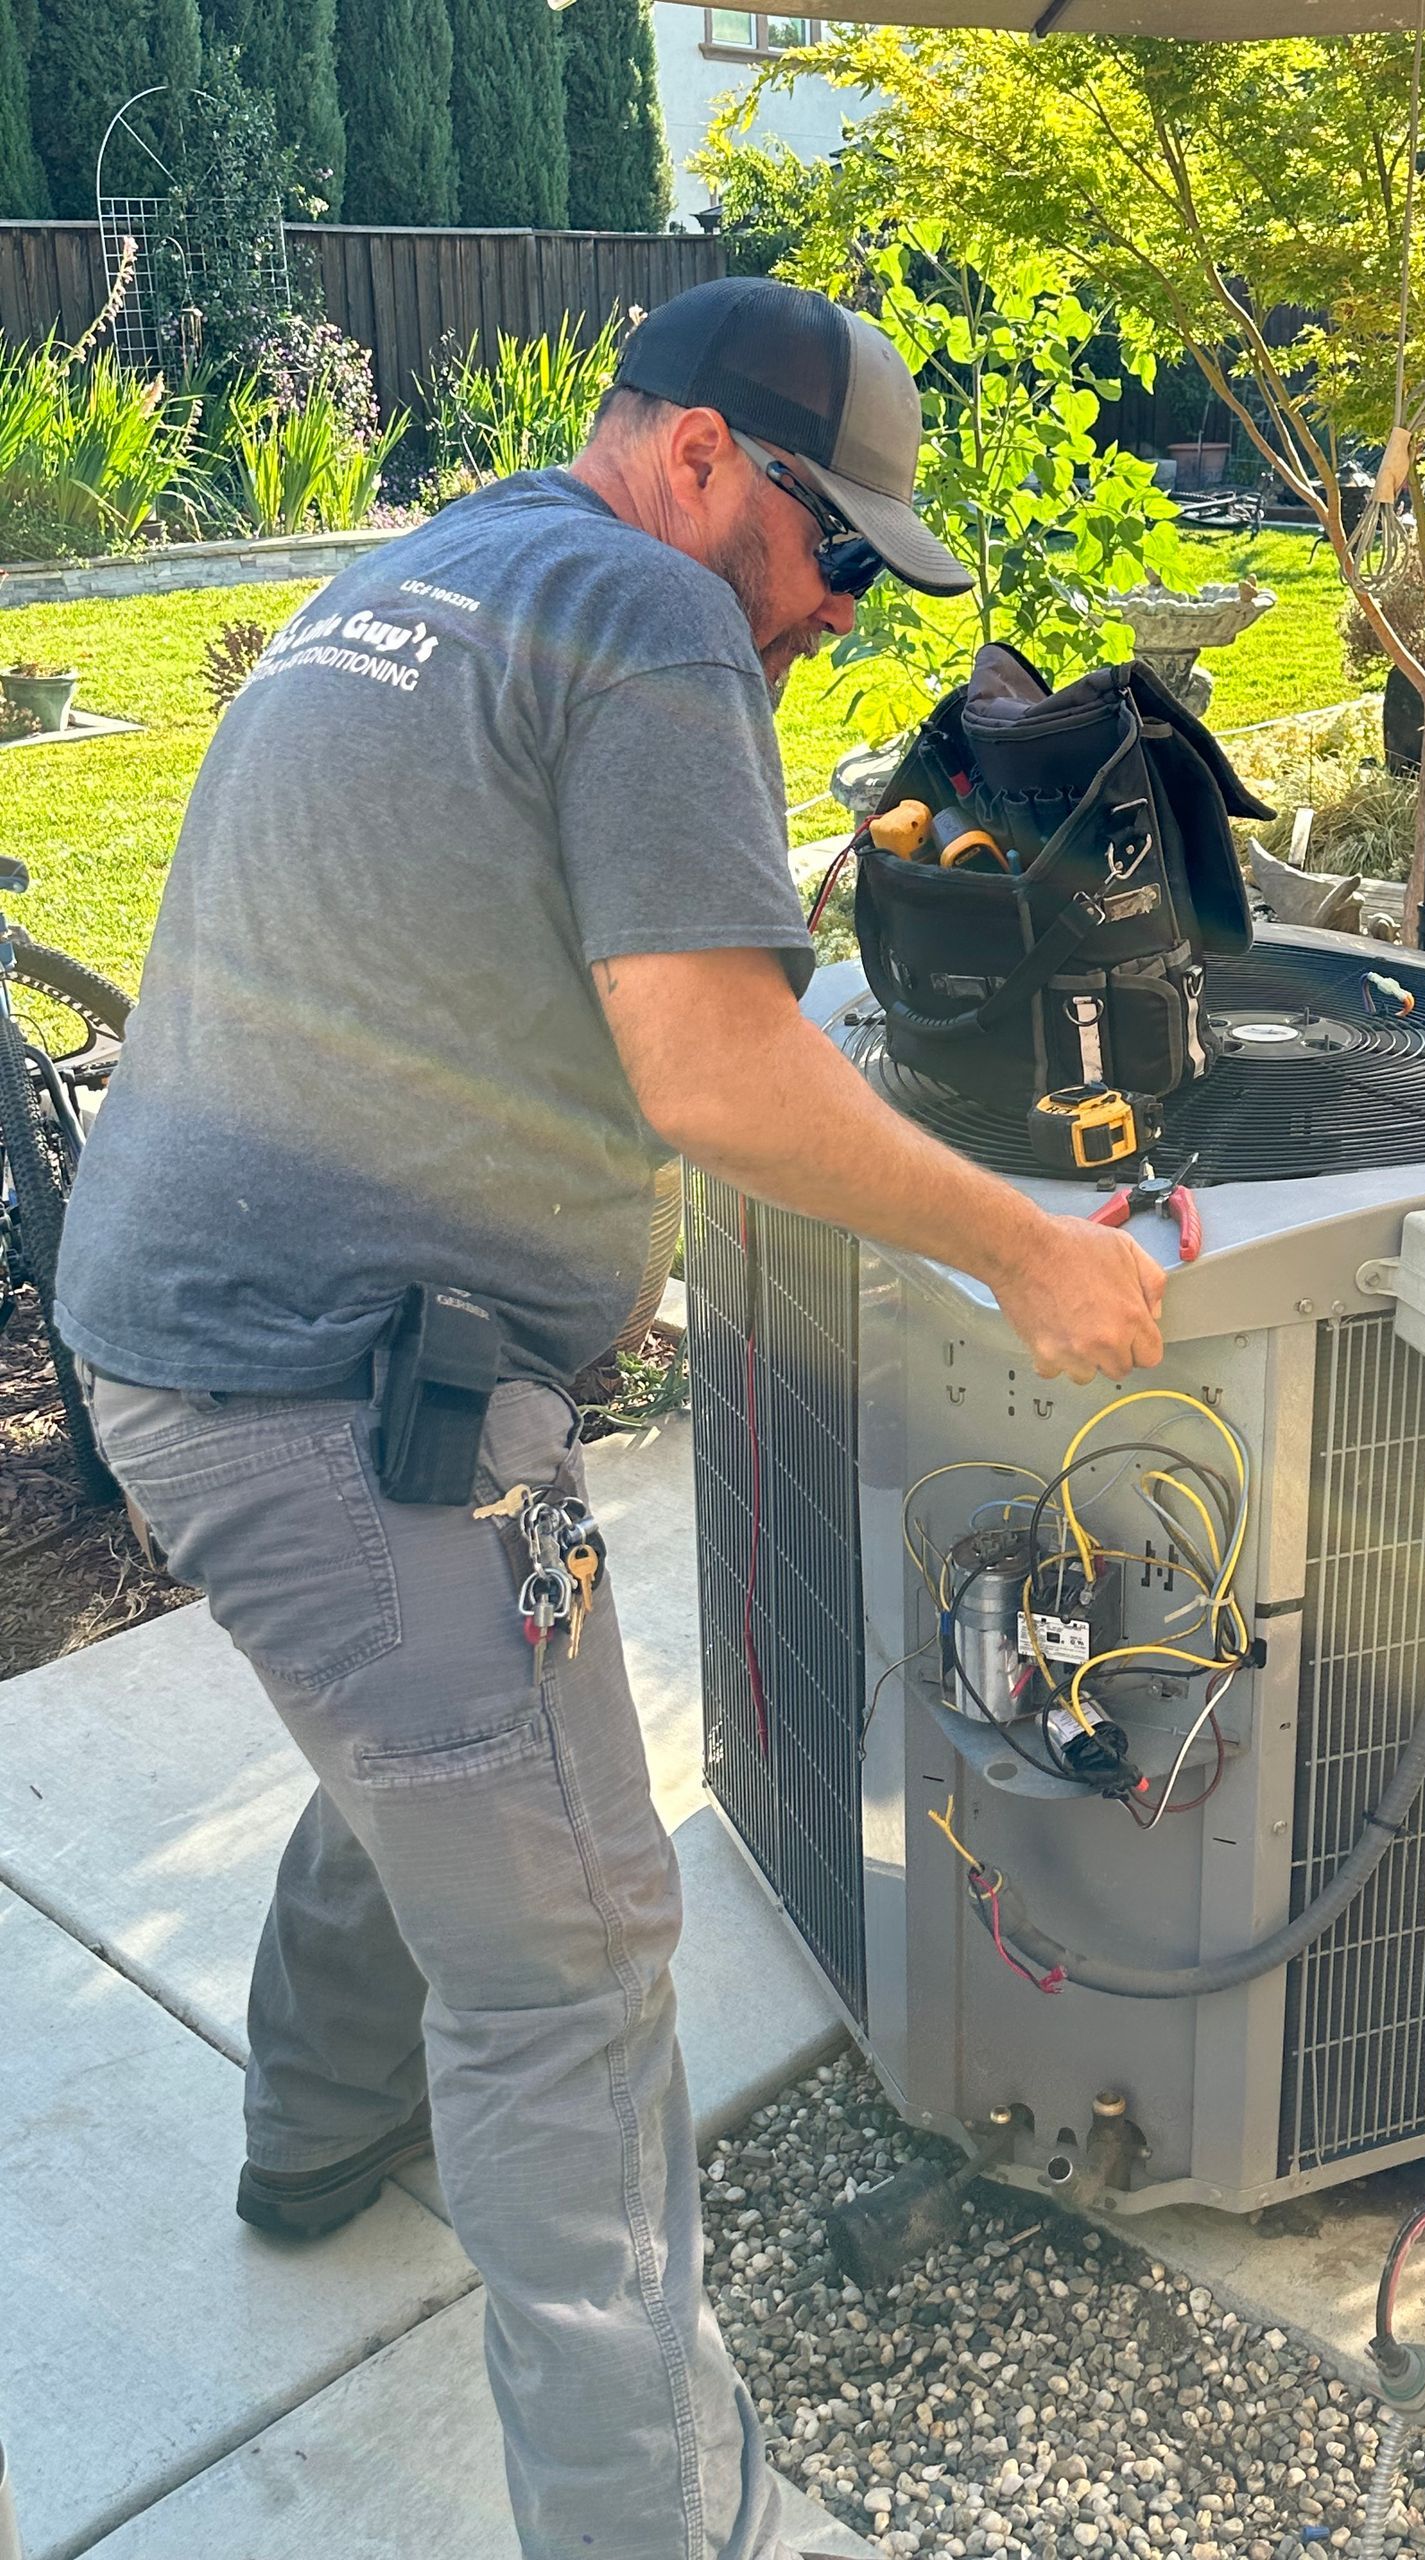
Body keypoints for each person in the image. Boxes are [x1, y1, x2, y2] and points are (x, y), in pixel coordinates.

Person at [53, 277, 1165, 2560]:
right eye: (831, 548)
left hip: (190, 1329)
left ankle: (312, 2130)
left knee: (432, 1751)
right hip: (343, 1388)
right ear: (694, 463)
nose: (840, 612)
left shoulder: (437, 567)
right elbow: (718, 1074)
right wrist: (1028, 1246)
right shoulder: (656, 623)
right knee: (570, 1944)